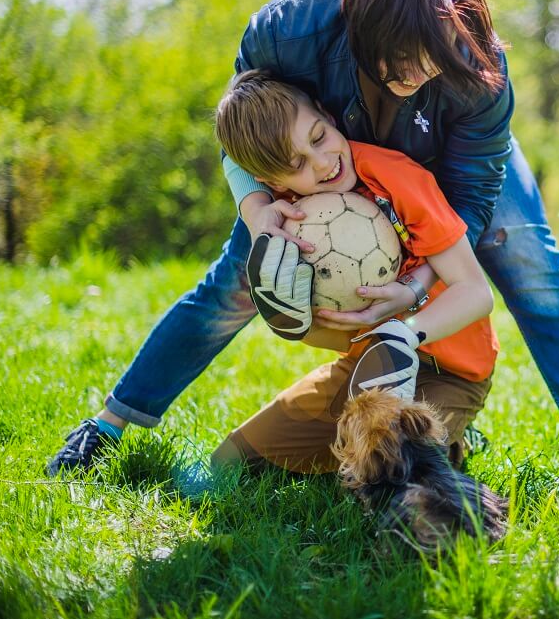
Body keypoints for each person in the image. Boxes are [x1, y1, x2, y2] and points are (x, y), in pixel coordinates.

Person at [47, 0, 559, 478]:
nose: (421, 71)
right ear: (363, 28)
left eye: (437, 56)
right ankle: (109, 423)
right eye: (407, 55)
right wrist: (256, 209)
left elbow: (472, 198)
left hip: (454, 167)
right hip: (323, 156)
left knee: (531, 260)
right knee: (237, 276)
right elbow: (243, 124)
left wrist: (417, 286)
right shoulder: (286, 30)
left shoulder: (479, 67)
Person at [209, 71, 496, 474]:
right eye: (298, 164)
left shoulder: (394, 176)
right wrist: (294, 326)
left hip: (450, 369)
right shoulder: (290, 222)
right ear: (271, 182)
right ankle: (377, 436)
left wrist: (404, 332)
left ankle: (441, 437)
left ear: (327, 115)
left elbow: (477, 294)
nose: (324, 163)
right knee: (231, 464)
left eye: (319, 137)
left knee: (394, 469)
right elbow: (339, 333)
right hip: (362, 370)